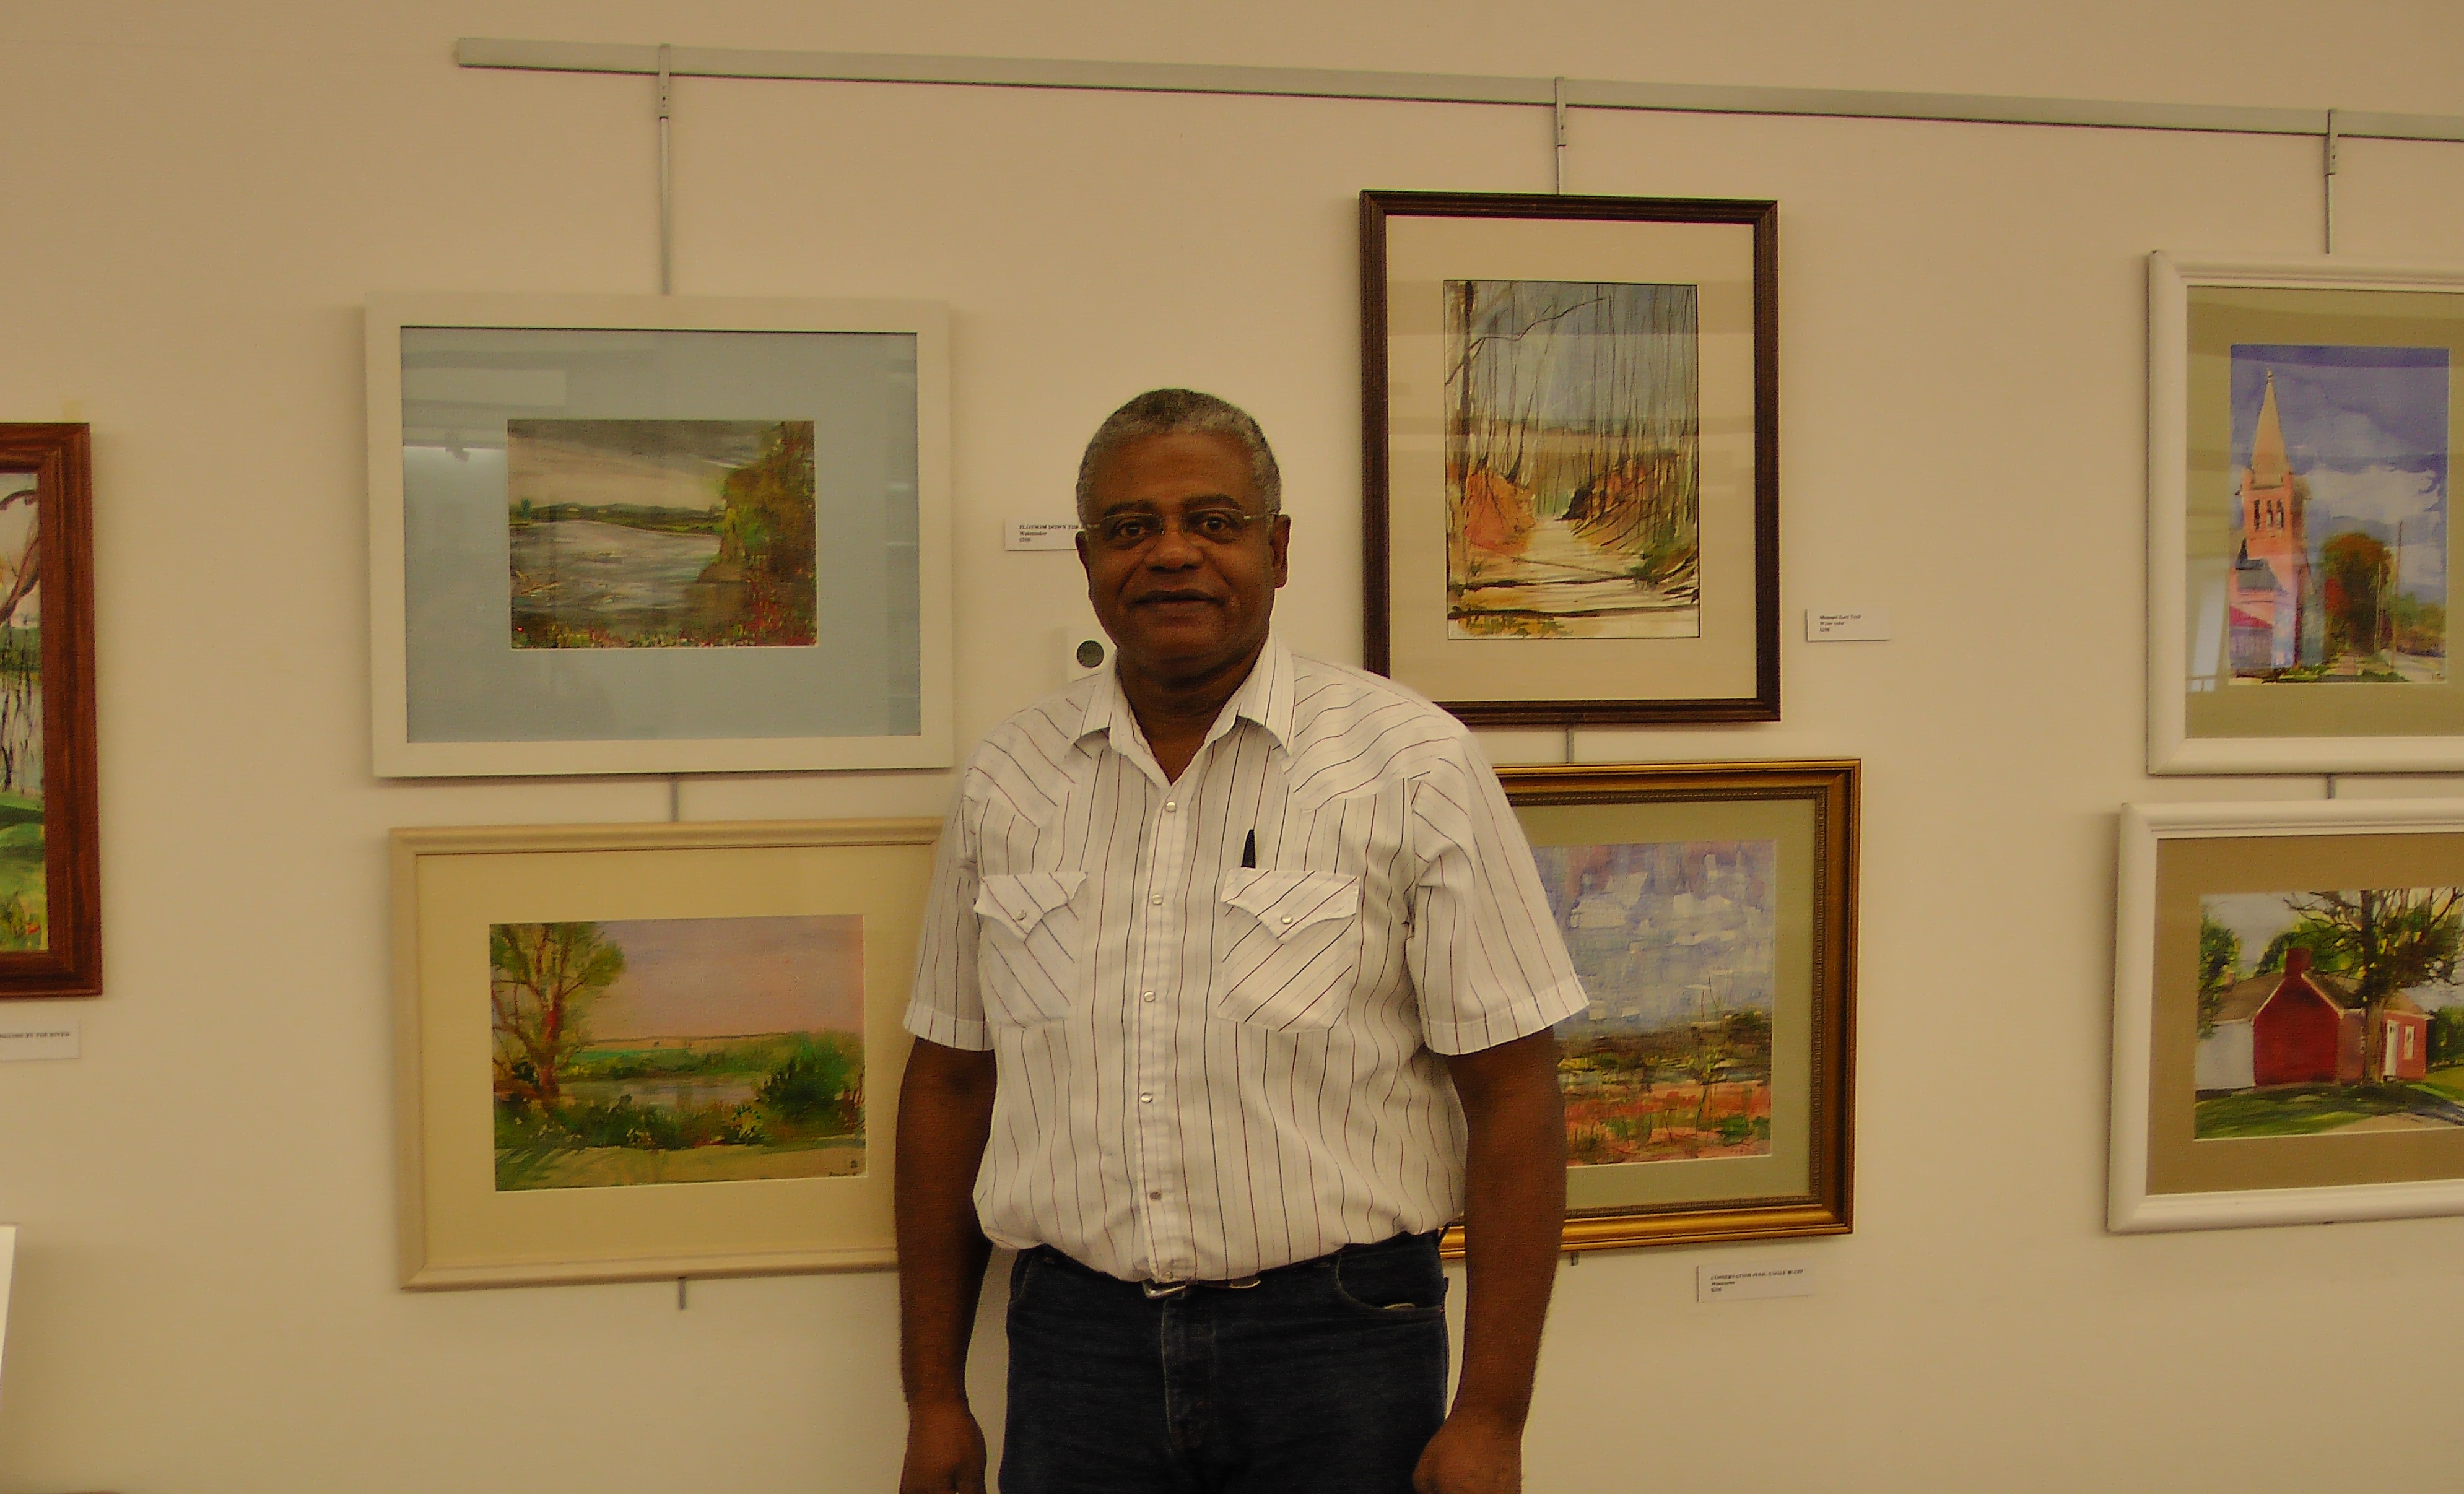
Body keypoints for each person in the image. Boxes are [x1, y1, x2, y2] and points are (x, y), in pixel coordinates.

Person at [895, 388, 1584, 1494]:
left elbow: (1514, 1094)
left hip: (1342, 1344)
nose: (1172, 552)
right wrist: (933, 1395)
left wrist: (1493, 1415)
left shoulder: (1412, 765)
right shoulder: (1007, 780)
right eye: (1132, 527)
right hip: (1076, 1349)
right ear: (1088, 560)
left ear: (1278, 548)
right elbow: (949, 1085)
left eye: (1213, 521)